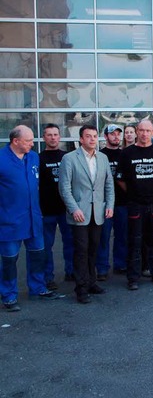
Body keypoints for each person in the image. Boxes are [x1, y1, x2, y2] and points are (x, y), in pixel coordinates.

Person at [0, 126, 60, 311]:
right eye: (28, 141)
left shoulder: (33, 157)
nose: (32, 144)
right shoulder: (1, 159)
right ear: (15, 141)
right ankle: (9, 296)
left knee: (37, 255)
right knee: (9, 260)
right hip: (9, 220)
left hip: (34, 218)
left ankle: (38, 288)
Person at [59, 125, 115, 304]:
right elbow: (64, 188)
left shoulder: (103, 158)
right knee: (81, 251)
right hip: (79, 213)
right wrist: (74, 209)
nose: (92, 139)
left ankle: (92, 282)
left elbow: (109, 185)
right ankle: (81, 288)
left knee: (93, 249)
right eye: (88, 136)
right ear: (81, 139)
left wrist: (109, 205)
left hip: (98, 212)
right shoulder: (69, 159)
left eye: (94, 136)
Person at [116, 119, 153, 289]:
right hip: (135, 204)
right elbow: (120, 179)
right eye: (141, 130)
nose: (144, 134)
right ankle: (133, 278)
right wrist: (135, 192)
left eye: (148, 131)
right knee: (134, 241)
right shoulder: (127, 153)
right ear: (136, 132)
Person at [39, 123, 74, 290]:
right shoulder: (38, 158)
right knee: (47, 246)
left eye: (55, 134)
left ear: (59, 137)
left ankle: (71, 271)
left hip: (66, 209)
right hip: (46, 211)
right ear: (44, 137)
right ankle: (48, 277)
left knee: (70, 242)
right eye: (49, 135)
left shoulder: (68, 157)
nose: (53, 137)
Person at [97, 124, 128, 279]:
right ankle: (102, 268)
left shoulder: (125, 154)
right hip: (104, 203)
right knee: (103, 237)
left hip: (123, 202)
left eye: (118, 134)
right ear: (106, 136)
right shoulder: (99, 155)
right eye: (112, 134)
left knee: (122, 235)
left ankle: (120, 264)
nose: (116, 137)